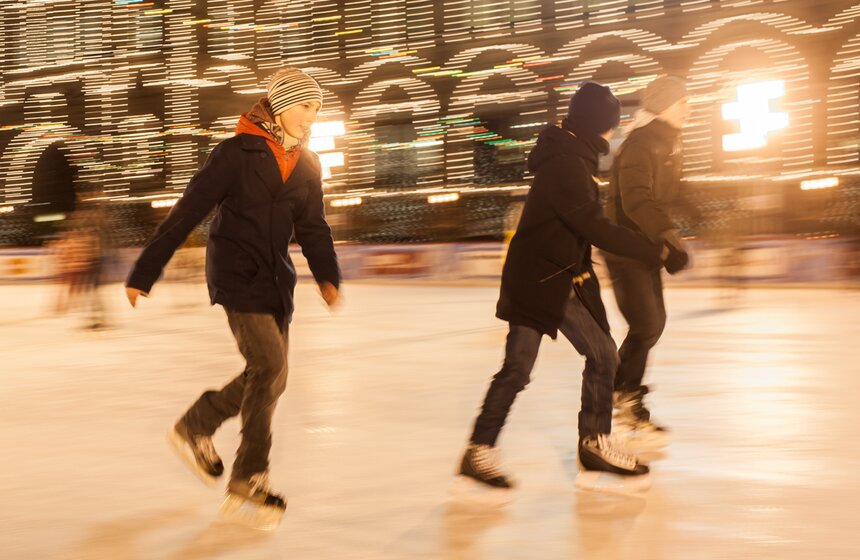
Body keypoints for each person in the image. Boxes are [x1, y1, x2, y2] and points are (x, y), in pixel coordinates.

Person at [125, 67, 341, 529]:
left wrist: (328, 275)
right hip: (236, 273)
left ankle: (197, 425)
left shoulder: (308, 163)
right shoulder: (234, 152)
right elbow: (188, 212)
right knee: (268, 365)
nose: (312, 117)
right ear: (281, 105)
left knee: (272, 377)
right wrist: (146, 270)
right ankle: (250, 475)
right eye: (306, 106)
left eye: (317, 109)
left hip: (276, 281)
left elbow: (313, 227)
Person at [456, 82, 688, 497]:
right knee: (585, 358)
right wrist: (653, 249)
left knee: (549, 363)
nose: (612, 135)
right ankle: (589, 444)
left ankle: (487, 448)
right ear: (597, 125)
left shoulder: (571, 156)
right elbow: (591, 225)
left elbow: (582, 228)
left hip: (553, 275)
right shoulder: (566, 161)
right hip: (543, 279)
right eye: (610, 126)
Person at [603, 76, 697, 449]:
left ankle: (622, 393)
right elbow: (636, 200)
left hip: (645, 246)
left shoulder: (669, 143)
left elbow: (673, 191)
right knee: (646, 323)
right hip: (624, 247)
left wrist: (696, 210)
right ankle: (623, 397)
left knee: (652, 326)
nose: (688, 107)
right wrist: (669, 235)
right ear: (662, 106)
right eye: (682, 101)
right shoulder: (640, 144)